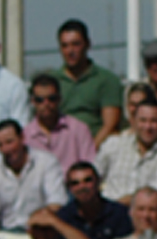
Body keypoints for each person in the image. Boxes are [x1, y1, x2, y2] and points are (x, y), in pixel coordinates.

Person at [0, 120, 62, 233]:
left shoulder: (46, 162)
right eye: (0, 145)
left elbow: (57, 203)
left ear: (22, 138)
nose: (6, 149)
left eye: (9, 142)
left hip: (42, 233)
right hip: (6, 235)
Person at [53, 20, 122, 148]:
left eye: (76, 44)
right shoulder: (52, 81)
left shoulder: (106, 80)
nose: (70, 51)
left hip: (97, 147)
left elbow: (110, 125)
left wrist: (89, 152)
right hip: (59, 148)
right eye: (65, 45)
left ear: (88, 44)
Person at [97, 94, 157, 203]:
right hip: (110, 214)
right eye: (143, 120)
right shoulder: (113, 145)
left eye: (154, 121)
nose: (148, 127)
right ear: (134, 121)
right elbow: (93, 178)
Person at [44, 161, 132, 239]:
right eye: (75, 183)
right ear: (69, 188)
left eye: (87, 180)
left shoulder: (119, 214)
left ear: (98, 182)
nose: (82, 187)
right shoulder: (63, 217)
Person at [25, 74, 96, 175]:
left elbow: (90, 168)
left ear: (59, 99)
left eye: (52, 98)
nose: (46, 104)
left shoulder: (79, 129)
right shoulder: (25, 136)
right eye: (40, 100)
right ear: (33, 102)